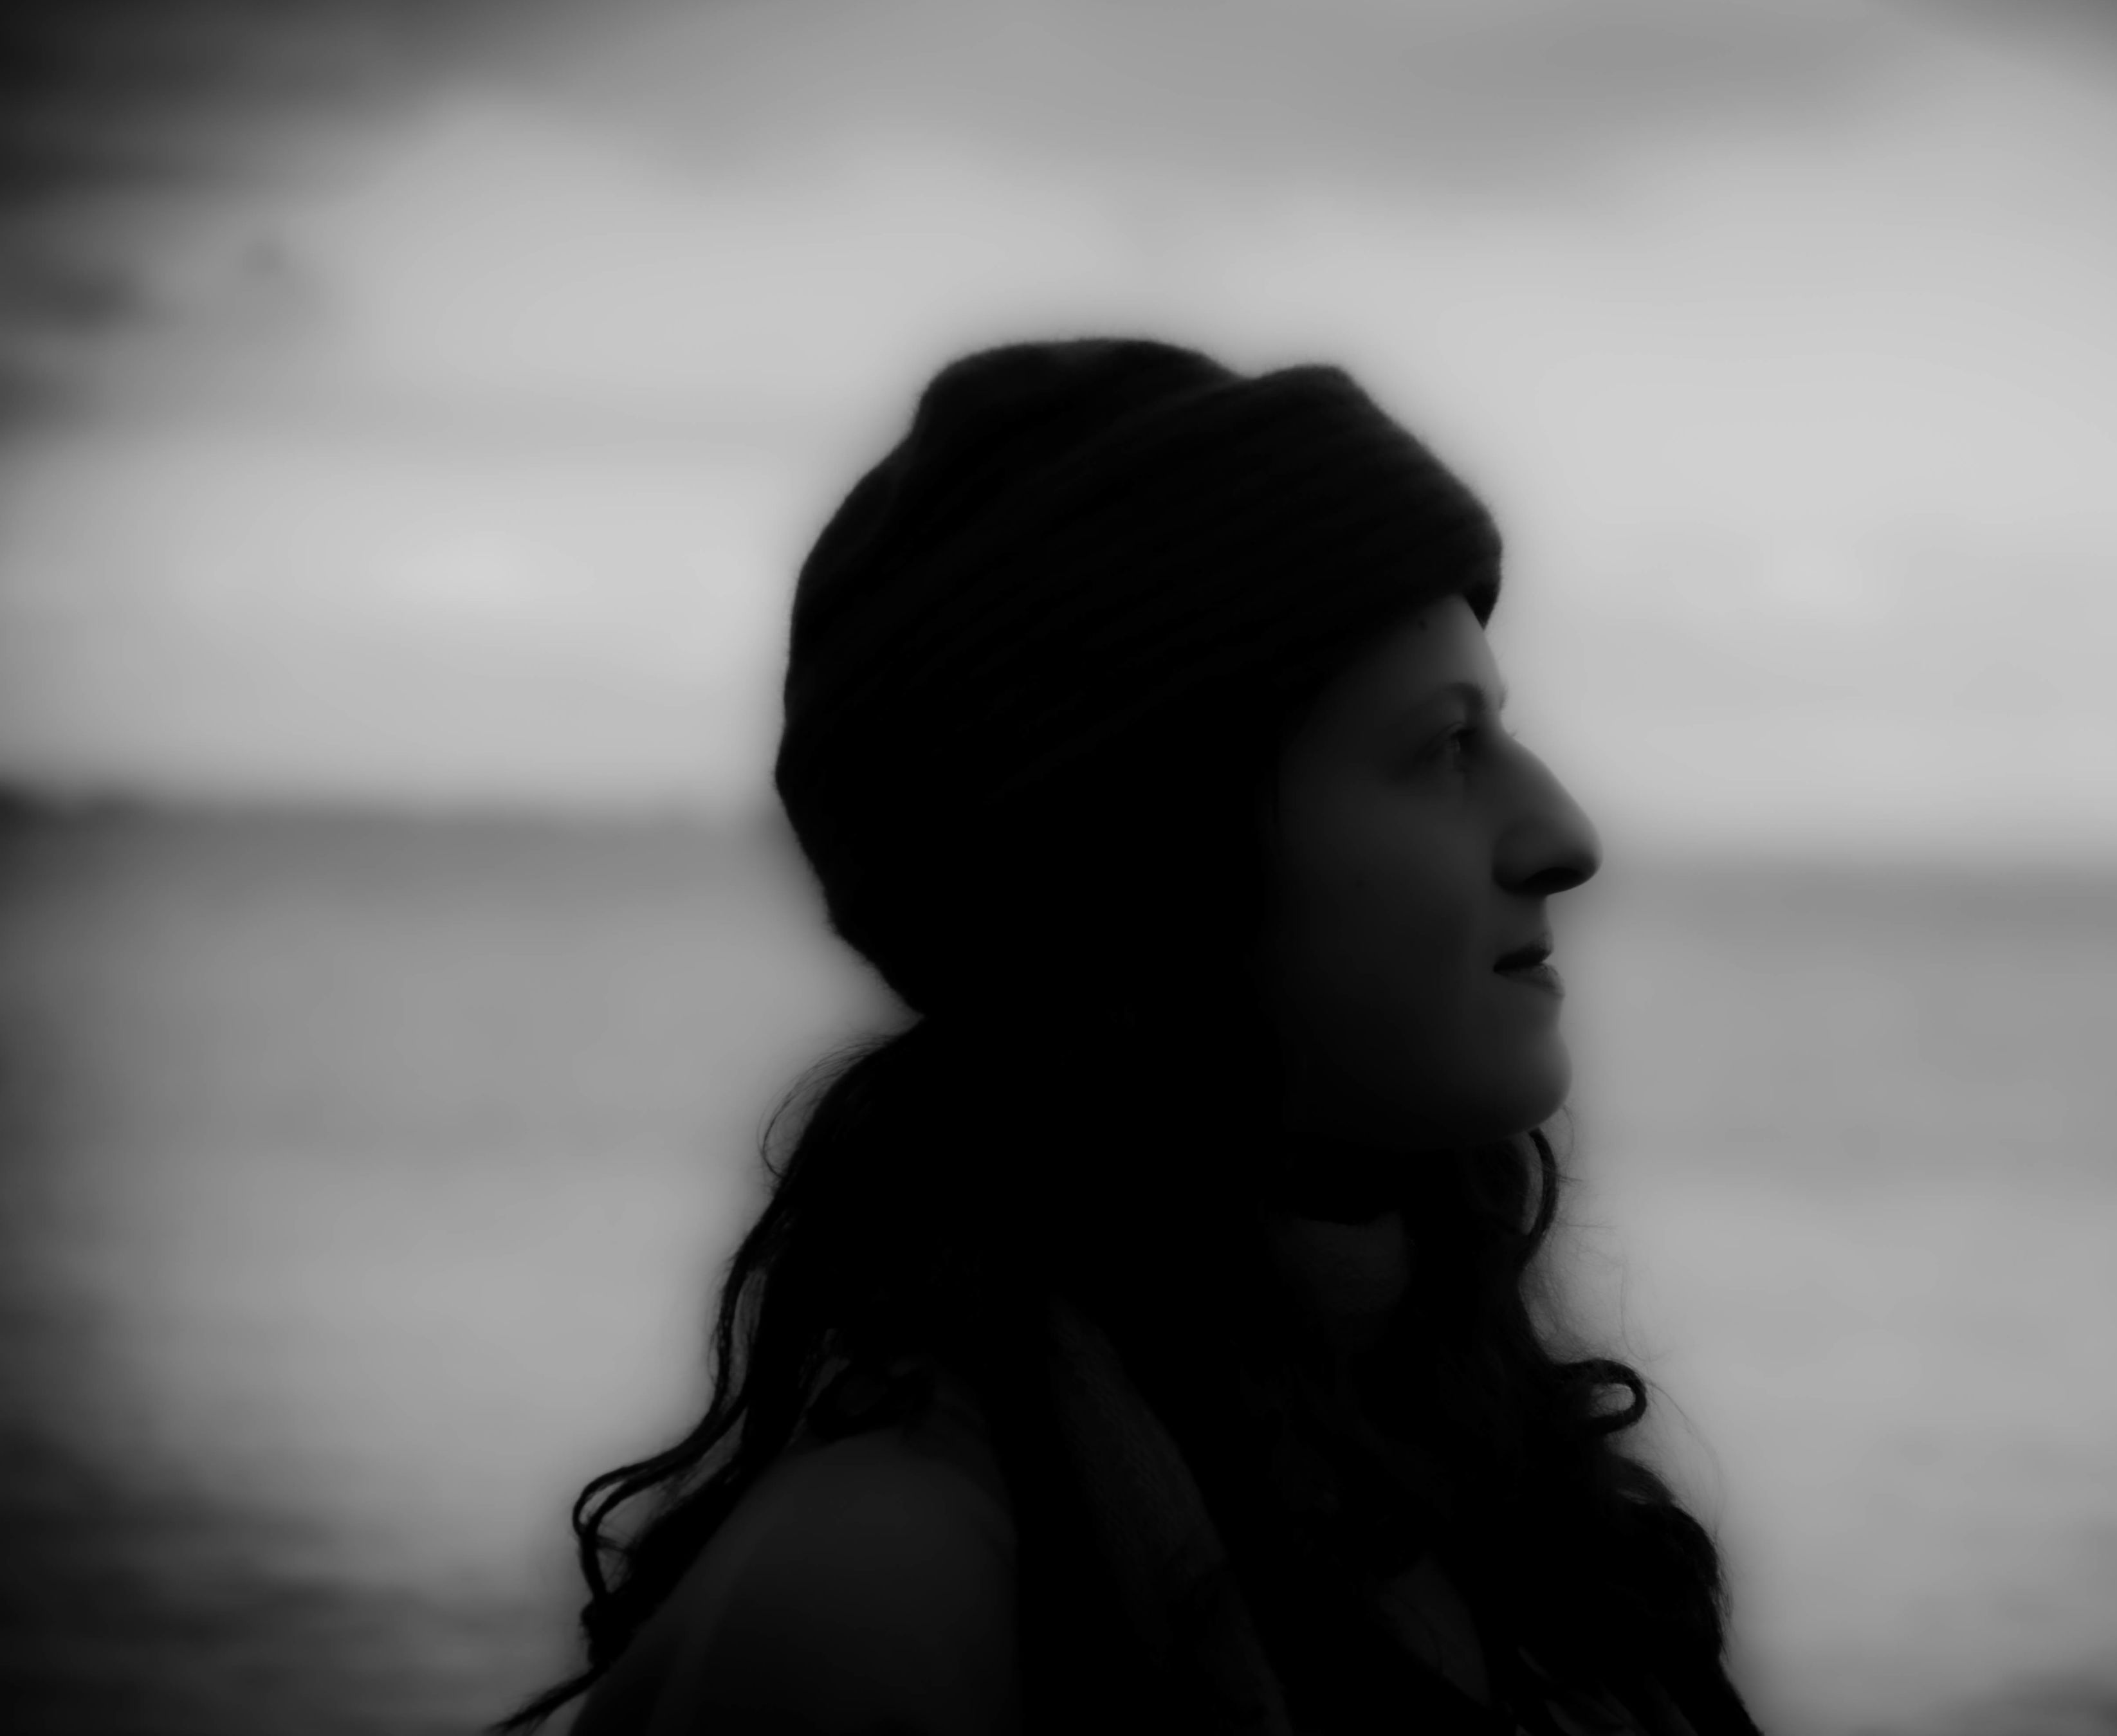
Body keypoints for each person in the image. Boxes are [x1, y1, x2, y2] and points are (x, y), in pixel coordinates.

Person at [494, 338, 1766, 1735]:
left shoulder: (1467, 1458)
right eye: (1439, 746)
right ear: (1145, 863)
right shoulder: (873, 1599)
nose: (1561, 837)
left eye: (1498, 729)